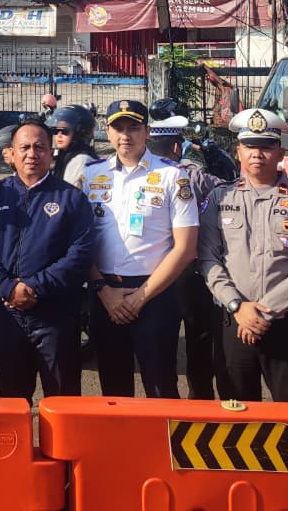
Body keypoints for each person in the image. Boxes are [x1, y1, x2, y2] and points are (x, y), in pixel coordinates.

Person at [198, 108, 288, 403]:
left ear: (280, 151)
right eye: (249, 145)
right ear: (238, 152)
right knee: (237, 413)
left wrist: (264, 311)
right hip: (234, 322)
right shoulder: (220, 198)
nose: (257, 153)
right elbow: (208, 258)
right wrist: (237, 306)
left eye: (266, 146)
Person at [0, 120, 94, 401]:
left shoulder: (72, 199)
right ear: (10, 154)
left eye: (40, 147)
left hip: (56, 318)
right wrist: (6, 288)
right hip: (8, 316)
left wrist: (34, 287)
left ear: (51, 154)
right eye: (24, 147)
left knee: (63, 404)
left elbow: (80, 255)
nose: (32, 154)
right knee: (12, 405)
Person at [82, 99, 198, 399]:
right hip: (104, 293)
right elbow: (80, 241)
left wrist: (141, 297)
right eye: (118, 128)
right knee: (114, 387)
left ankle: (161, 447)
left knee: (161, 386)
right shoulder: (91, 175)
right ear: (106, 132)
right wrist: (103, 291)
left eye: (133, 127)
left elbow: (185, 248)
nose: (126, 135)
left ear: (147, 131)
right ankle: (121, 446)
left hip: (155, 295)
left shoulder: (173, 175)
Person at [146, 107, 226, 400]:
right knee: (200, 340)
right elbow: (229, 189)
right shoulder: (193, 176)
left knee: (161, 343)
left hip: (155, 274)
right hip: (192, 273)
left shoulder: (145, 177)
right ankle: (200, 399)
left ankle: (165, 402)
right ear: (178, 146)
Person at [48, 103, 97, 190]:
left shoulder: (81, 160)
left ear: (79, 132)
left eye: (65, 131)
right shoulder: (64, 155)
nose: (59, 135)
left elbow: (68, 195)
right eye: (55, 130)